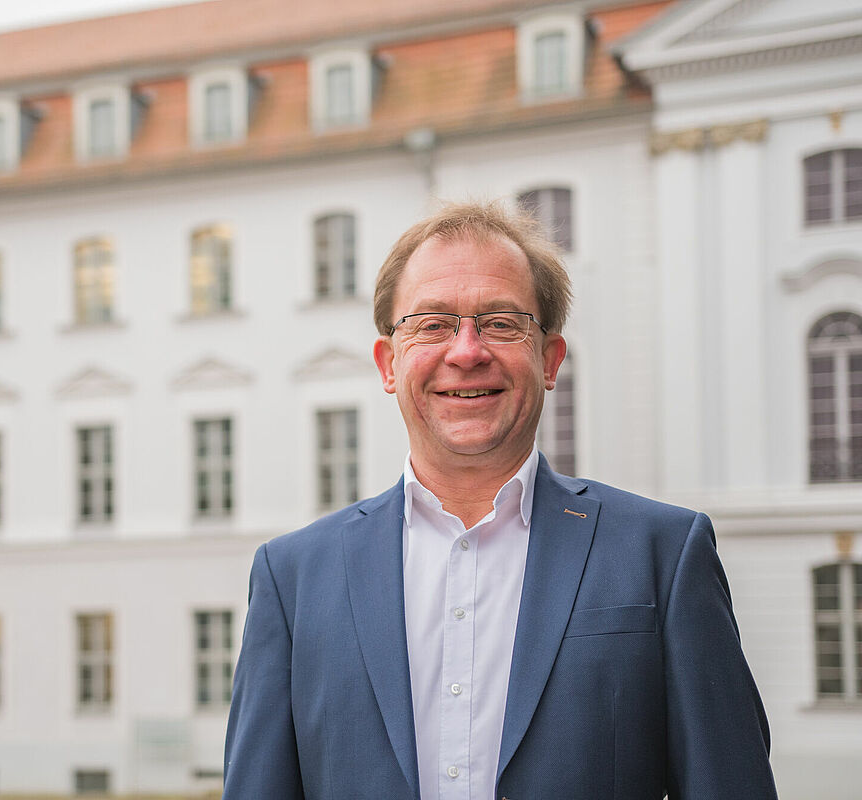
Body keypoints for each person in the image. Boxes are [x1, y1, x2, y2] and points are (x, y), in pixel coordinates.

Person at [222, 200, 778, 800]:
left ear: (550, 359)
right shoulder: (293, 577)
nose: (466, 351)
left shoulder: (662, 554)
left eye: (501, 323)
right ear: (389, 364)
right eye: (433, 324)